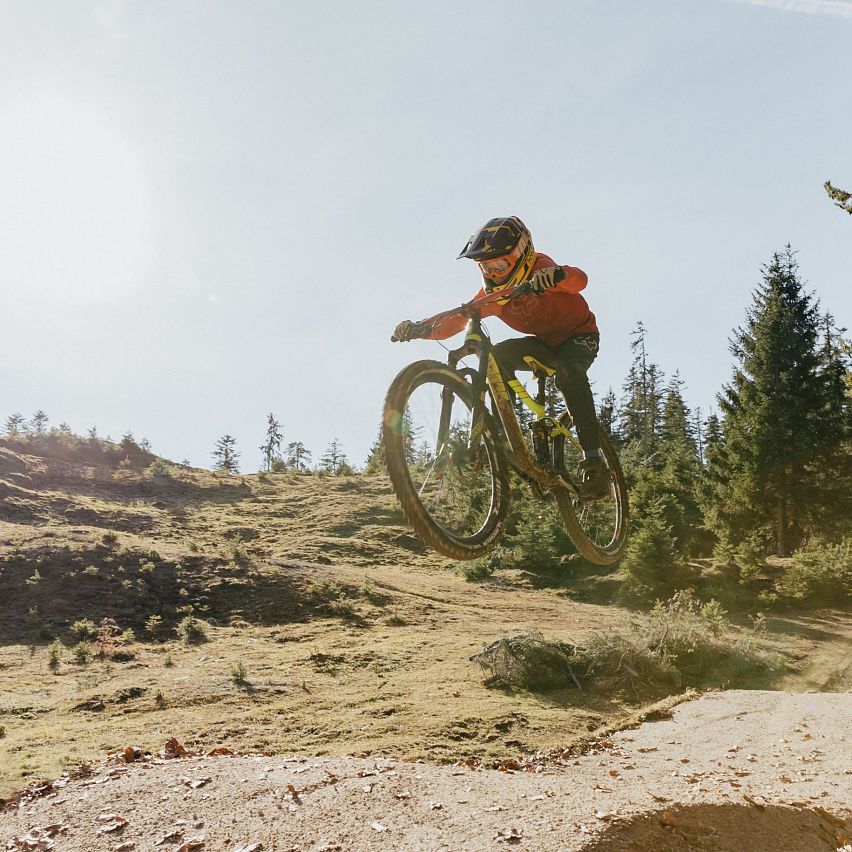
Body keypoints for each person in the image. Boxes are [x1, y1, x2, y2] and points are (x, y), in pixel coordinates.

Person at [393, 215, 608, 499]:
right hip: (542, 344)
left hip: (579, 337)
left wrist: (557, 276)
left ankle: (594, 460)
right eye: (485, 267)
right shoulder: (495, 295)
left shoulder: (541, 268)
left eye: (500, 265)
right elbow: (455, 320)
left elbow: (579, 280)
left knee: (568, 375)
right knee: (497, 356)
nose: (493, 273)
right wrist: (419, 328)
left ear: (522, 256)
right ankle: (504, 438)